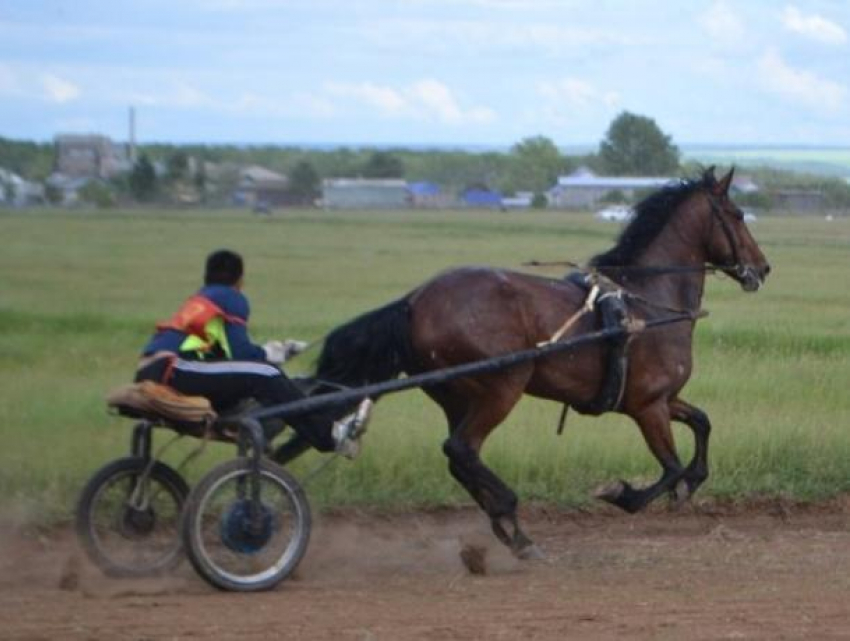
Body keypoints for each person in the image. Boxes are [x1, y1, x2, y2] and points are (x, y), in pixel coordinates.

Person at [134, 248, 370, 458]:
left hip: (153, 369)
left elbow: (223, 358)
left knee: (260, 372)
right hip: (174, 368)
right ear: (239, 280)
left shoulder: (201, 299)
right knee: (267, 373)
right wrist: (271, 354)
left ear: (206, 276)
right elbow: (242, 353)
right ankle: (330, 435)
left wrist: (273, 351)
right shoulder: (230, 297)